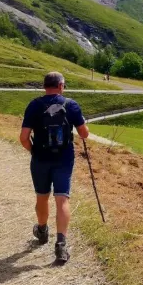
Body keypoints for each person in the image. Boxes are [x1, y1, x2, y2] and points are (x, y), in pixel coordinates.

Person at [19, 72, 89, 263]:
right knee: (62, 199)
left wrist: (34, 151)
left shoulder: (34, 105)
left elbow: (23, 138)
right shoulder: (71, 105)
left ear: (45, 86)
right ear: (60, 86)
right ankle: (61, 245)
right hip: (64, 159)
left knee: (42, 197)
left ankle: (42, 230)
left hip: (40, 159)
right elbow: (84, 134)